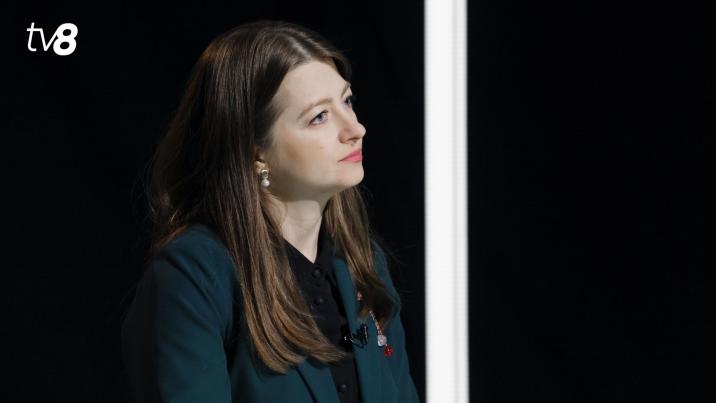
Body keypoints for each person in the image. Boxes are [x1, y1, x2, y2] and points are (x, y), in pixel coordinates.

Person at [120, 20, 420, 403]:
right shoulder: (195, 273)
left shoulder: (364, 263)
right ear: (255, 151)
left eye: (347, 101)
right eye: (319, 117)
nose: (355, 128)